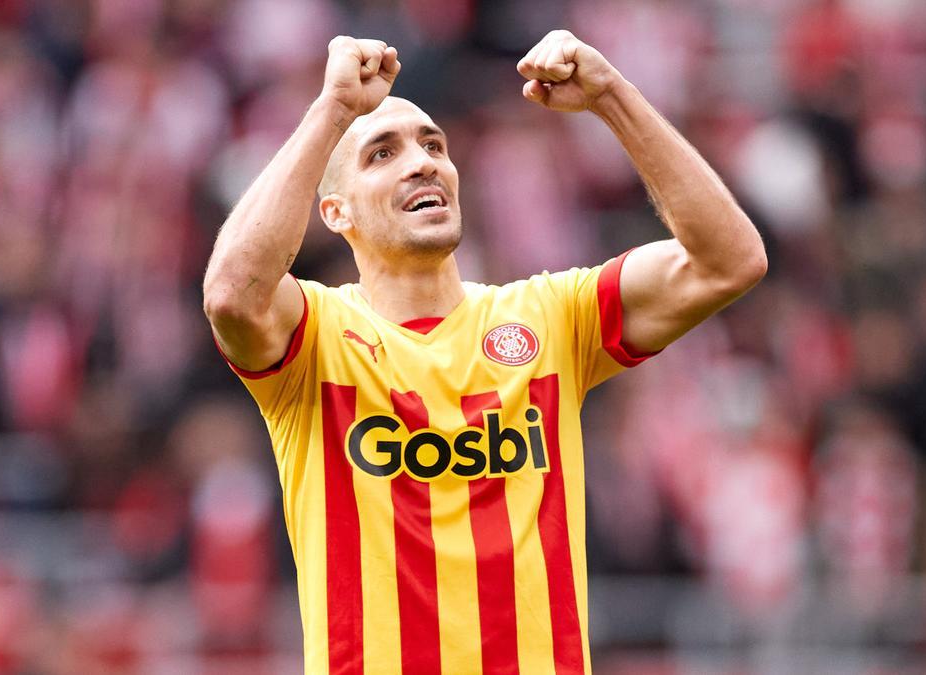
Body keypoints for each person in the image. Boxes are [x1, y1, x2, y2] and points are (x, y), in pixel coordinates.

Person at [203, 30, 766, 675]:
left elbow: (729, 261)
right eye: (381, 154)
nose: (422, 162)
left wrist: (612, 97)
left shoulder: (552, 316)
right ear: (335, 211)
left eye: (434, 146)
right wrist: (333, 107)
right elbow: (231, 296)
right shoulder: (315, 337)